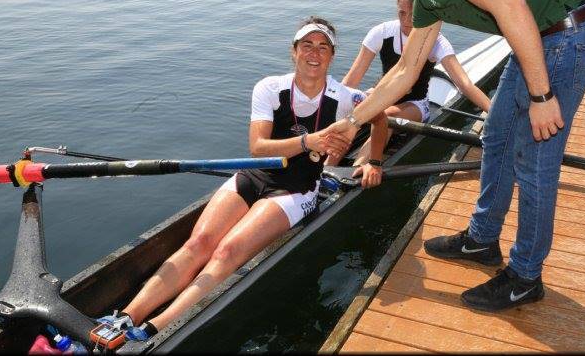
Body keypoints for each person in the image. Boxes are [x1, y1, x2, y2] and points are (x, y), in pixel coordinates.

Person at [326, 0, 585, 312]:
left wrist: (542, 97)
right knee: (496, 136)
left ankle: (525, 277)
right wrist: (352, 122)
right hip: (538, 35)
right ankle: (481, 241)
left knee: (534, 159)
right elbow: (406, 71)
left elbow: (511, 5)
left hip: (570, 31)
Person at [98, 17, 388, 340]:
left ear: (332, 56)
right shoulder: (269, 88)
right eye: (307, 45)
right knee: (198, 244)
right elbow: (257, 147)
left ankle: (155, 328)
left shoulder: (347, 97)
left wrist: (373, 161)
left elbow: (380, 118)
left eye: (323, 47)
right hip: (254, 174)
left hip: (297, 188)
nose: (314, 53)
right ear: (294, 52)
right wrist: (311, 141)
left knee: (227, 252)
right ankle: (125, 317)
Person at [342, 0, 491, 127]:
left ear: (422, 14)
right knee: (351, 104)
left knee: (384, 116)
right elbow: (352, 80)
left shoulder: (437, 41)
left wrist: (492, 113)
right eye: (402, 13)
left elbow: (465, 85)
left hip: (416, 105)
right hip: (382, 96)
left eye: (413, 15)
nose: (406, 21)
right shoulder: (381, 32)